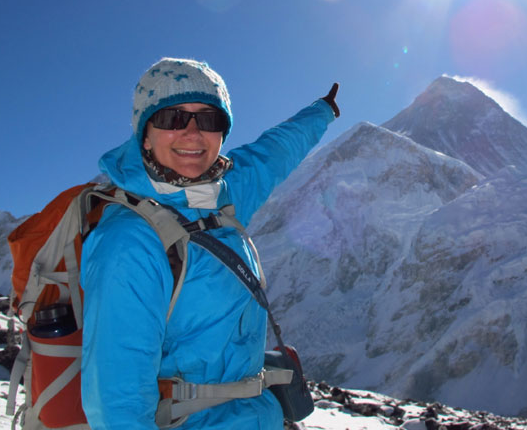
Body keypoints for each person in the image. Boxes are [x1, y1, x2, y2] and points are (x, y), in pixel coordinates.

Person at [80, 57, 339, 429]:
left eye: (209, 119)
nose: (192, 133)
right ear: (145, 133)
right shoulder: (129, 242)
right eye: (172, 118)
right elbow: (116, 405)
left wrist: (323, 111)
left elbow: (274, 152)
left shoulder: (222, 195)